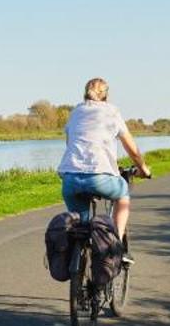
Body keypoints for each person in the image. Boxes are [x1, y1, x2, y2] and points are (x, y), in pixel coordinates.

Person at [59, 77, 151, 253]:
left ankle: (77, 265)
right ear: (106, 95)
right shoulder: (111, 112)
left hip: (70, 178)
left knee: (82, 227)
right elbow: (131, 148)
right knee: (123, 193)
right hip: (99, 177)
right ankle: (116, 245)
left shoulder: (76, 112)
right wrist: (143, 168)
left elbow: (70, 143)